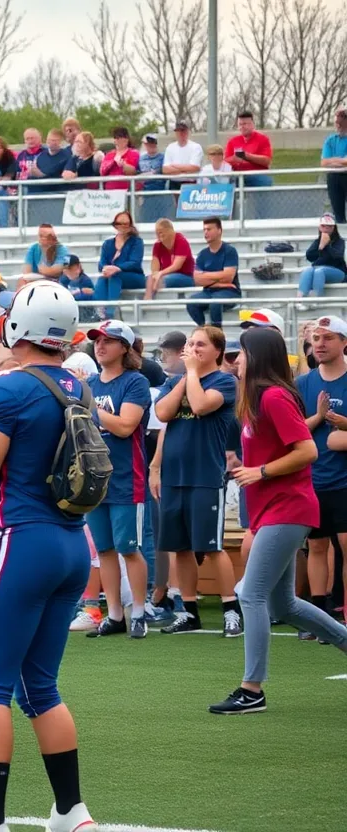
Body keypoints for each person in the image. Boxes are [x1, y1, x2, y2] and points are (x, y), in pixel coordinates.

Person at [0, 282, 95, 832]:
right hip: (70, 543)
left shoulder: (4, 389)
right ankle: (71, 811)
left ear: (18, 325)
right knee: (42, 686)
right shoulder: (79, 386)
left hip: (22, 541)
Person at [211, 325, 347, 714]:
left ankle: (252, 689)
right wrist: (246, 464)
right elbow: (292, 437)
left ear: (258, 357)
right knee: (283, 605)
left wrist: (262, 471)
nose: (235, 360)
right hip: (275, 509)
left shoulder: (272, 397)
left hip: (289, 508)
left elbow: (307, 451)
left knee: (249, 593)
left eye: (242, 354)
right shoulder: (258, 399)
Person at [152, 325, 243, 636]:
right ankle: (189, 611)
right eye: (190, 343)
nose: (193, 348)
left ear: (217, 351)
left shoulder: (224, 381)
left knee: (212, 546)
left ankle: (231, 608)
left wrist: (190, 372)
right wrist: (184, 377)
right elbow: (163, 413)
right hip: (174, 476)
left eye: (201, 344)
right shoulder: (175, 381)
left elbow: (202, 405)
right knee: (180, 547)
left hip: (205, 474)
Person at [84, 321, 152, 639]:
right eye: (97, 340)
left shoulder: (135, 382)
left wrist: (87, 409)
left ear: (125, 348)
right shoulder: (90, 383)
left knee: (128, 547)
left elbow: (125, 426)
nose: (100, 346)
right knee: (105, 549)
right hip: (93, 478)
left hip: (127, 477)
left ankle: (138, 610)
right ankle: (114, 614)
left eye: (108, 341)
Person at [296, 315, 347, 635]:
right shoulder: (303, 383)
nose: (320, 344)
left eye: (328, 338)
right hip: (312, 479)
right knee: (315, 547)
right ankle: (317, 616)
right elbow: (292, 430)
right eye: (316, 338)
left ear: (344, 342)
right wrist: (317, 418)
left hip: (344, 481)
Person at [187, 217, 241, 327]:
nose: (206, 232)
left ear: (219, 231)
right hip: (208, 292)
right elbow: (197, 280)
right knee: (191, 303)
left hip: (229, 291)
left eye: (209, 229)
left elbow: (228, 277)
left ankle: (217, 335)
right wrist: (219, 281)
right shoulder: (202, 254)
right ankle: (204, 330)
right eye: (204, 230)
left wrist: (206, 277)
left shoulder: (229, 251)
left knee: (215, 302)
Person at [93, 211, 145, 314]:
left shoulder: (136, 242)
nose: (122, 226)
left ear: (130, 225)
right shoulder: (108, 243)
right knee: (102, 279)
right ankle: (99, 312)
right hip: (112, 275)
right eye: (119, 223)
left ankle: (110, 312)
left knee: (114, 276)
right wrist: (106, 269)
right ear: (115, 225)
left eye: (125, 224)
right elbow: (101, 263)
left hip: (134, 277)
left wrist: (116, 268)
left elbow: (135, 262)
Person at [297, 214, 346, 300]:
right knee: (308, 270)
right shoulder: (317, 242)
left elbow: (337, 256)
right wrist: (320, 247)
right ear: (320, 227)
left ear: (333, 228)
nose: (326, 228)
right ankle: (300, 299)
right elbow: (310, 256)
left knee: (319, 271)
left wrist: (327, 245)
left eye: (329, 226)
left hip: (339, 272)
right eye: (323, 226)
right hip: (319, 270)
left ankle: (316, 299)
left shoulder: (339, 241)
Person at [145, 218, 195, 299]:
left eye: (161, 231)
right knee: (148, 279)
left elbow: (177, 266)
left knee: (164, 279)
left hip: (185, 276)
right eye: (157, 232)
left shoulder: (181, 241)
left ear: (170, 230)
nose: (159, 234)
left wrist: (160, 274)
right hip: (165, 275)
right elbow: (155, 266)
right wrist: (155, 274)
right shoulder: (157, 245)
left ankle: (148, 301)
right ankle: (147, 301)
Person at [225, 110, 273, 187]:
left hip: (257, 174)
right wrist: (234, 159)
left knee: (265, 181)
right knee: (228, 181)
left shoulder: (263, 139)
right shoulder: (232, 141)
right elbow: (225, 161)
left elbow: (267, 161)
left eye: (245, 124)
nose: (242, 127)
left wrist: (247, 156)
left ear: (252, 125)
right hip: (237, 175)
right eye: (240, 124)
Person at [162, 121, 204, 189]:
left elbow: (194, 168)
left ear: (187, 131)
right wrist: (185, 170)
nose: (180, 133)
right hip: (174, 183)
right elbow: (165, 169)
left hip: (190, 183)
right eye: (178, 131)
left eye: (183, 130)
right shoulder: (170, 147)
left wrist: (174, 166)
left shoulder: (196, 147)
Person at [324, 108, 347, 223]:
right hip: (334, 177)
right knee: (338, 214)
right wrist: (341, 160)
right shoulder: (330, 140)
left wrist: (333, 161)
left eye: (341, 122)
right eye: (337, 123)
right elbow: (324, 162)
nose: (338, 125)